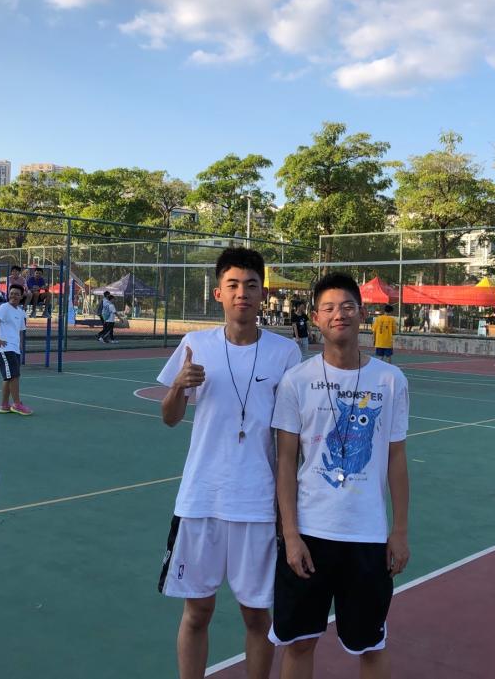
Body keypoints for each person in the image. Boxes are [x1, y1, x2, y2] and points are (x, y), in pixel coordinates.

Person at [156, 248, 301, 679]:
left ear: (263, 294)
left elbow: (289, 440)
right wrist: (178, 386)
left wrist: (286, 510)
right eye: (233, 285)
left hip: (256, 504)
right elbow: (169, 418)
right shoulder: (195, 345)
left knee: (257, 616)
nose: (242, 293)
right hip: (201, 500)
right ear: (218, 292)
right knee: (197, 612)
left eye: (251, 285)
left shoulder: (285, 352)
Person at [269, 272, 410, 679]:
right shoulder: (296, 381)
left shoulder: (390, 380)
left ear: (361, 313)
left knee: (371, 645)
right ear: (315, 318)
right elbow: (286, 462)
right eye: (328, 308)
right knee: (299, 642)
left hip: (367, 536)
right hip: (310, 533)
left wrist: (399, 531)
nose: (339, 314)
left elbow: (396, 458)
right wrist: (290, 535)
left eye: (347, 306)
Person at [0, 284, 32, 415]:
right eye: (11, 293)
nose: (13, 296)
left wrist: (20, 345)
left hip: (14, 348)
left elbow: (20, 330)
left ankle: (4, 405)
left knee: (9, 377)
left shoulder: (20, 311)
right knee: (14, 376)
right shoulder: (4, 307)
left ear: (21, 296)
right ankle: (17, 404)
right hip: (4, 348)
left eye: (17, 294)